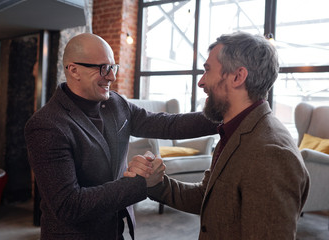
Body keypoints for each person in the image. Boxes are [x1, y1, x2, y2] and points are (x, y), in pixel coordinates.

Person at [24, 33, 217, 240]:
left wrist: (226, 115)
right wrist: (141, 182)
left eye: (113, 67)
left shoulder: (116, 103)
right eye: (103, 68)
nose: (112, 77)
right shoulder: (46, 125)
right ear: (74, 70)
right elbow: (69, 205)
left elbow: (168, 124)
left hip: (116, 230)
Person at [126, 32, 310, 239]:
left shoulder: (271, 154)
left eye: (207, 71)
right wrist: (155, 183)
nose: (201, 82)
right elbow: (207, 196)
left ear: (238, 77)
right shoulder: (237, 129)